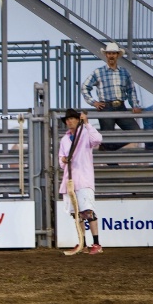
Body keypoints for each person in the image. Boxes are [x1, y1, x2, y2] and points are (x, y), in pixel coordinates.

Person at [81, 42, 142, 151]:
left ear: (118, 55)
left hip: (120, 106)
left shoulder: (125, 72)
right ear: (106, 55)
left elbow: (131, 90)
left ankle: (107, 148)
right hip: (106, 106)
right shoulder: (98, 72)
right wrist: (93, 102)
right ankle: (108, 149)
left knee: (135, 131)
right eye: (109, 53)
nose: (111, 56)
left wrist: (135, 105)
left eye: (113, 53)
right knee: (108, 137)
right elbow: (84, 87)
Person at [59, 109, 103, 255]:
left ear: (78, 120)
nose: (69, 121)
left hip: (83, 178)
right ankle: (82, 242)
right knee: (76, 213)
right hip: (70, 179)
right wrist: (63, 160)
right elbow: (61, 160)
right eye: (68, 119)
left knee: (88, 211)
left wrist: (88, 124)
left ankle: (96, 243)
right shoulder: (64, 140)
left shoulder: (85, 133)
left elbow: (97, 140)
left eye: (72, 119)